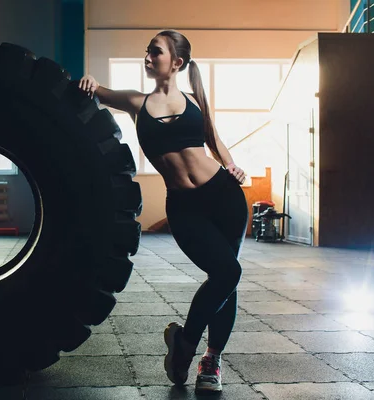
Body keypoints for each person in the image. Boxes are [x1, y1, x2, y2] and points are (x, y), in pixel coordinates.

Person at [79, 30, 248, 393]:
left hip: (224, 195)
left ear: (177, 62)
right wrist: (91, 81)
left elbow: (214, 140)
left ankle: (209, 360)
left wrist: (232, 165)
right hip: (185, 207)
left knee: (226, 280)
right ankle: (186, 345)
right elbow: (98, 91)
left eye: (155, 51)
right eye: (147, 51)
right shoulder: (137, 103)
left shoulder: (194, 100)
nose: (148, 56)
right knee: (227, 272)